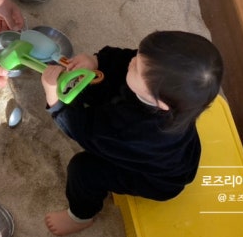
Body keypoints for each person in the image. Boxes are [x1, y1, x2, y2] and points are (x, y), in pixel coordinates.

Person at [39, 30, 223, 235]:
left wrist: (54, 100)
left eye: (137, 67)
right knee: (101, 82)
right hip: (168, 155)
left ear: (161, 103)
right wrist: (96, 60)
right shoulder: (167, 92)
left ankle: (80, 217)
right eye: (139, 55)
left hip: (152, 179)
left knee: (83, 170)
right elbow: (124, 58)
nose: (133, 61)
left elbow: (84, 132)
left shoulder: (135, 130)